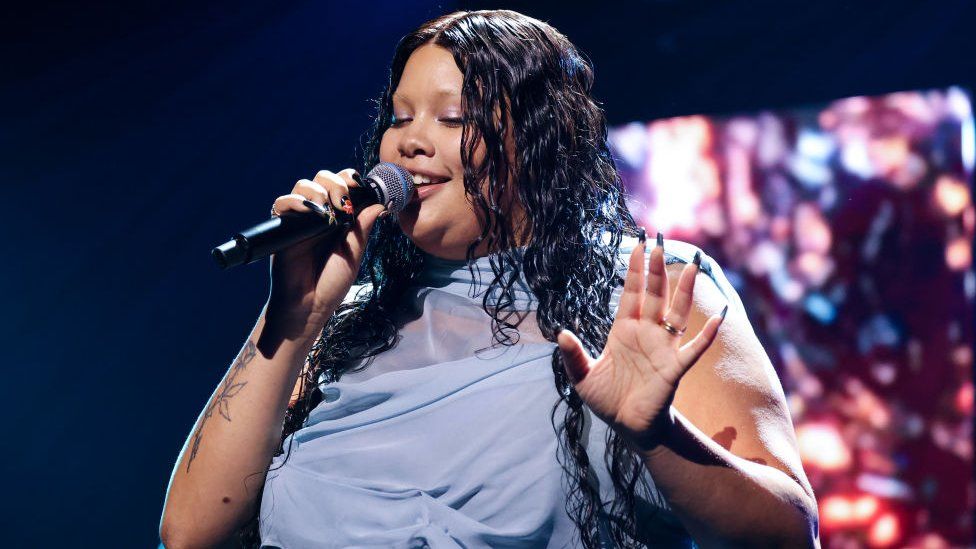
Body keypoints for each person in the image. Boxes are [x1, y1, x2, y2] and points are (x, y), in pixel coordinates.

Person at [160, 9, 819, 548]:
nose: (410, 143)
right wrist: (293, 316)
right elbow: (188, 532)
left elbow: (789, 535)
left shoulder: (650, 286)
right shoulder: (346, 324)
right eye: (399, 116)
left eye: (452, 117)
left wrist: (658, 434)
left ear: (536, 139)